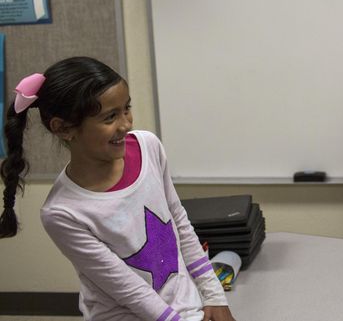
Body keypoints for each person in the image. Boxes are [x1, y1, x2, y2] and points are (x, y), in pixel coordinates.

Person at [0, 57, 235, 321]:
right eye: (110, 116)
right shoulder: (61, 212)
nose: (126, 124)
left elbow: (179, 221)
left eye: (127, 108)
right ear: (64, 128)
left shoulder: (149, 147)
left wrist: (214, 296)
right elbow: (129, 290)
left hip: (184, 303)